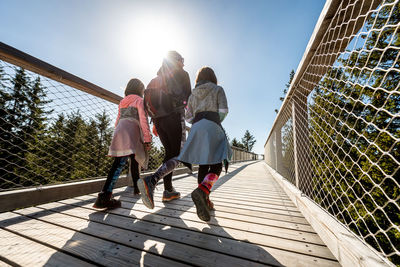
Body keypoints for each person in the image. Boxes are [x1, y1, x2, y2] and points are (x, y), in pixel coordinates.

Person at [138, 51, 191, 209]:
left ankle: (168, 191)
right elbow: (188, 97)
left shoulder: (155, 79)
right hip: (174, 116)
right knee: (179, 154)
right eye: (182, 59)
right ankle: (152, 180)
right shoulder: (182, 74)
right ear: (176, 61)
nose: (183, 63)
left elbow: (149, 104)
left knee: (169, 154)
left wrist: (155, 122)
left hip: (158, 121)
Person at [178, 66, 231, 221]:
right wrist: (215, 120)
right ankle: (202, 191)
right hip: (212, 126)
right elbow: (224, 110)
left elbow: (188, 117)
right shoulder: (218, 89)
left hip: (196, 128)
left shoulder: (193, 93)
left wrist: (198, 121)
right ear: (212, 77)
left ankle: (205, 202)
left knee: (203, 164)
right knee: (216, 164)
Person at [93, 78, 151, 209]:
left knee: (131, 159)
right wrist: (147, 139)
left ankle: (136, 187)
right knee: (122, 163)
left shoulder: (122, 101)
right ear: (140, 90)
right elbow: (143, 120)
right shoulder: (140, 100)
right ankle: (104, 196)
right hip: (132, 132)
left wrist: (117, 134)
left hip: (120, 130)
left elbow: (117, 119)